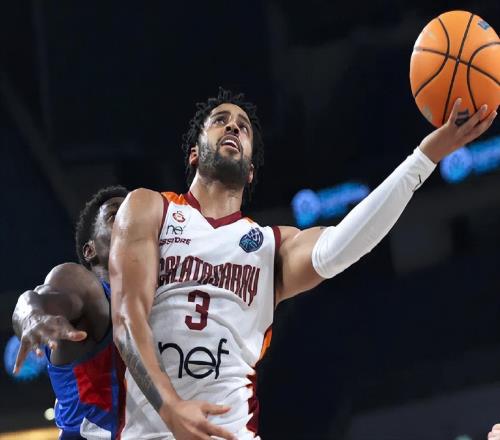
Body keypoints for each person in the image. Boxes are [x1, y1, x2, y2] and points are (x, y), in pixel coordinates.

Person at [110, 88, 497, 440]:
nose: (233, 126)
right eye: (220, 121)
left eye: (243, 127)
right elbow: (127, 319)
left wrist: (423, 158)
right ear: (194, 152)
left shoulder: (272, 246)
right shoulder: (150, 208)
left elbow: (343, 245)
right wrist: (170, 407)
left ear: (250, 170)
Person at [12, 186, 129, 440]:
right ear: (90, 250)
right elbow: (40, 298)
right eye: (115, 215)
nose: (130, 221)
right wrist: (32, 316)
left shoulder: (165, 300)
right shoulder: (85, 285)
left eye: (136, 215)